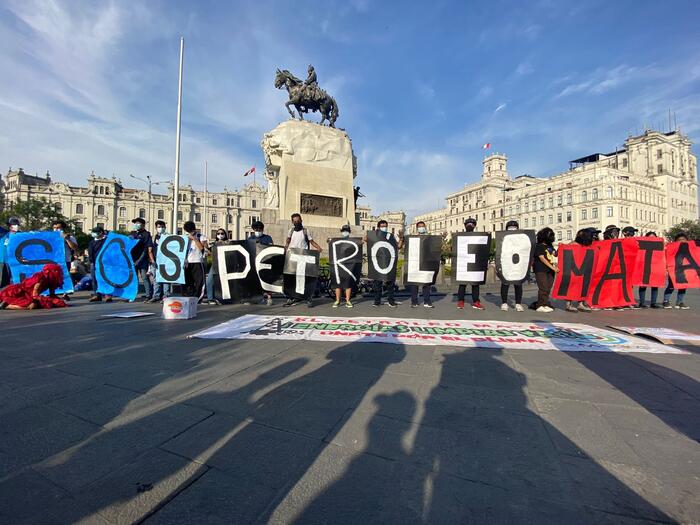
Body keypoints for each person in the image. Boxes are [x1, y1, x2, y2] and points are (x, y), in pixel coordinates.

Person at [284, 213, 323, 307]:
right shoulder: (291, 230)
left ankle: (308, 298)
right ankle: (291, 297)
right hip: (293, 257)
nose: (297, 223)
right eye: (295, 221)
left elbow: (311, 241)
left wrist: (318, 247)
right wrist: (285, 248)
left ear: (301, 220)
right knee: (291, 277)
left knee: (306, 278)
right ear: (292, 222)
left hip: (303, 257)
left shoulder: (306, 231)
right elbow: (288, 240)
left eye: (298, 221)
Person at [0, 263, 67, 310]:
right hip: (18, 292)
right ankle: (6, 305)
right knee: (32, 305)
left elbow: (52, 295)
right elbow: (35, 295)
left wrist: (56, 301)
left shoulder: (52, 281)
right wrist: (44, 300)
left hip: (27, 295)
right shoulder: (41, 278)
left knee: (38, 304)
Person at [369, 219, 403, 308]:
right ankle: (377, 301)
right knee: (377, 283)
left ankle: (391, 300)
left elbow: (398, 246)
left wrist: (401, 238)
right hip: (378, 263)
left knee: (390, 283)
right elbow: (365, 239)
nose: (384, 227)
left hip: (389, 263)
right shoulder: (374, 236)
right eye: (382, 226)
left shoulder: (391, 236)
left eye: (385, 226)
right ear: (379, 227)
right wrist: (371, 234)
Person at [457, 217, 484, 310]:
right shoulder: (461, 236)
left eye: (472, 224)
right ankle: (461, 301)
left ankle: (476, 301)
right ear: (465, 226)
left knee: (475, 284)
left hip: (474, 263)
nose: (470, 226)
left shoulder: (479, 237)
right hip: (464, 263)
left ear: (475, 226)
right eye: (468, 224)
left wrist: (486, 236)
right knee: (462, 284)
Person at [565, 228, 593, 313]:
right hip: (572, 269)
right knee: (571, 286)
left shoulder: (585, 246)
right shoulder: (573, 244)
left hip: (582, 269)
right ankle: (569, 304)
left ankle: (580, 303)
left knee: (582, 287)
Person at [247, 221, 274, 306]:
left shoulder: (267, 238)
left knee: (266, 279)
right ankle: (253, 297)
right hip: (254, 262)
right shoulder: (250, 239)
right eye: (256, 229)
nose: (258, 230)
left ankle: (269, 297)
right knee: (253, 280)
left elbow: (271, 248)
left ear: (262, 229)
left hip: (264, 262)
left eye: (259, 229)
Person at [500, 220, 525, 312]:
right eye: (510, 228)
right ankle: (504, 302)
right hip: (506, 264)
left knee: (518, 284)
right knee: (505, 283)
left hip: (518, 263)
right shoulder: (503, 238)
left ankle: (518, 303)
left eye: (514, 228)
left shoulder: (521, 239)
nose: (512, 229)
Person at [408, 221, 434, 308]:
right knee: (414, 283)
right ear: (417, 228)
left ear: (425, 227)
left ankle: (427, 301)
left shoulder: (429, 237)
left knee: (426, 283)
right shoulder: (413, 237)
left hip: (426, 262)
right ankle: (414, 301)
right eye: (419, 226)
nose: (421, 228)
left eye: (422, 226)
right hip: (415, 262)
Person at [129, 217, 155, 302]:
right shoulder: (132, 233)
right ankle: (132, 295)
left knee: (144, 277)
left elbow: (146, 249)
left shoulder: (146, 234)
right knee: (133, 278)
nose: (136, 225)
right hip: (132, 259)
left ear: (143, 225)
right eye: (135, 223)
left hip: (142, 259)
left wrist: (139, 260)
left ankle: (149, 295)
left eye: (138, 223)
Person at [532, 227, 558, 312]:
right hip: (541, 269)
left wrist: (561, 247)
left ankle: (545, 303)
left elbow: (555, 254)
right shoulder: (538, 246)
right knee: (543, 287)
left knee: (548, 287)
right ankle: (540, 305)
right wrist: (553, 267)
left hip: (550, 270)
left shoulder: (549, 246)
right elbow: (542, 258)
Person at [663, 231, 690, 309]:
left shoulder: (689, 249)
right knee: (671, 286)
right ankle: (666, 301)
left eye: (683, 239)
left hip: (684, 270)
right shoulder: (671, 248)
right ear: (676, 241)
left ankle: (679, 302)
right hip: (673, 270)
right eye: (679, 239)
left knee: (683, 286)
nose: (681, 241)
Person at [52, 220, 78, 300]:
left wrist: (67, 239)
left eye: (58, 228)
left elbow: (74, 247)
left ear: (63, 228)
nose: (56, 229)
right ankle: (52, 293)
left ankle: (65, 293)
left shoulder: (70, 237)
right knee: (52, 277)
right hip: (53, 260)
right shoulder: (50, 237)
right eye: (54, 228)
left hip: (65, 260)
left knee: (65, 277)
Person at [331, 224, 355, 308]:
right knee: (338, 283)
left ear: (349, 232)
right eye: (344, 231)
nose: (345, 232)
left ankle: (348, 300)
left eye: (347, 231)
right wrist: (329, 241)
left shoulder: (353, 241)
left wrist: (360, 243)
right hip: (338, 264)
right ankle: (337, 300)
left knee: (348, 283)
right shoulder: (337, 241)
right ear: (341, 232)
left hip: (348, 264)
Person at [88, 226, 112, 302]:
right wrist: (92, 262)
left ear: (101, 232)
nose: (93, 234)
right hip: (94, 263)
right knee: (95, 279)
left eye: (95, 232)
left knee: (105, 278)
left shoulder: (107, 241)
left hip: (105, 263)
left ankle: (107, 295)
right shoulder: (92, 242)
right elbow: (90, 253)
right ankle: (97, 294)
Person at [205, 228, 229, 305]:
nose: (220, 235)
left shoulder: (228, 243)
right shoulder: (214, 244)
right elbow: (209, 252)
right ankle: (210, 298)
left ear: (225, 234)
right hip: (215, 264)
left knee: (224, 281)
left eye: (222, 233)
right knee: (209, 280)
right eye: (218, 233)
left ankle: (225, 298)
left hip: (225, 264)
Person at [183, 221, 206, 300]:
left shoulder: (201, 236)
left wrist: (195, 239)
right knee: (188, 280)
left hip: (198, 261)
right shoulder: (185, 237)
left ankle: (198, 297)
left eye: (191, 231)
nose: (190, 232)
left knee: (199, 281)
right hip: (187, 262)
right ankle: (190, 296)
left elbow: (203, 249)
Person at [638, 231, 661, 308]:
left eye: (654, 237)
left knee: (655, 285)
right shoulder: (642, 244)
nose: (652, 239)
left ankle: (653, 303)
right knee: (643, 285)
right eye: (650, 237)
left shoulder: (659, 245)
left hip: (655, 267)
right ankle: (642, 303)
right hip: (644, 266)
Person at [150, 220, 171, 303]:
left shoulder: (168, 237)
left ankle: (166, 295)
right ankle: (156, 295)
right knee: (156, 279)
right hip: (155, 260)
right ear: (156, 228)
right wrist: (152, 260)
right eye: (159, 227)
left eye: (162, 227)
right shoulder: (153, 237)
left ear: (165, 227)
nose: (161, 228)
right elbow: (150, 249)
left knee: (166, 278)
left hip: (166, 261)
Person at [1, 217, 21, 287]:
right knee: (6, 277)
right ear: (9, 226)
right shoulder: (5, 235)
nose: (15, 226)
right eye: (12, 225)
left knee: (15, 278)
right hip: (6, 260)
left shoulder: (21, 235)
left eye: (16, 225)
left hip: (18, 260)